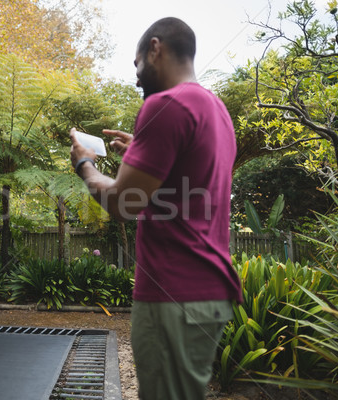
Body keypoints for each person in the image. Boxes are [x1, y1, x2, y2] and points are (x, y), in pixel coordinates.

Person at [69, 17, 243, 400]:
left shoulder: (165, 105)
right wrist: (138, 150)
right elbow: (186, 183)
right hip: (209, 291)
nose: (135, 79)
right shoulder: (216, 110)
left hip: (174, 292)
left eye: (136, 65)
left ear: (155, 48)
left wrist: (85, 165)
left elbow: (123, 204)